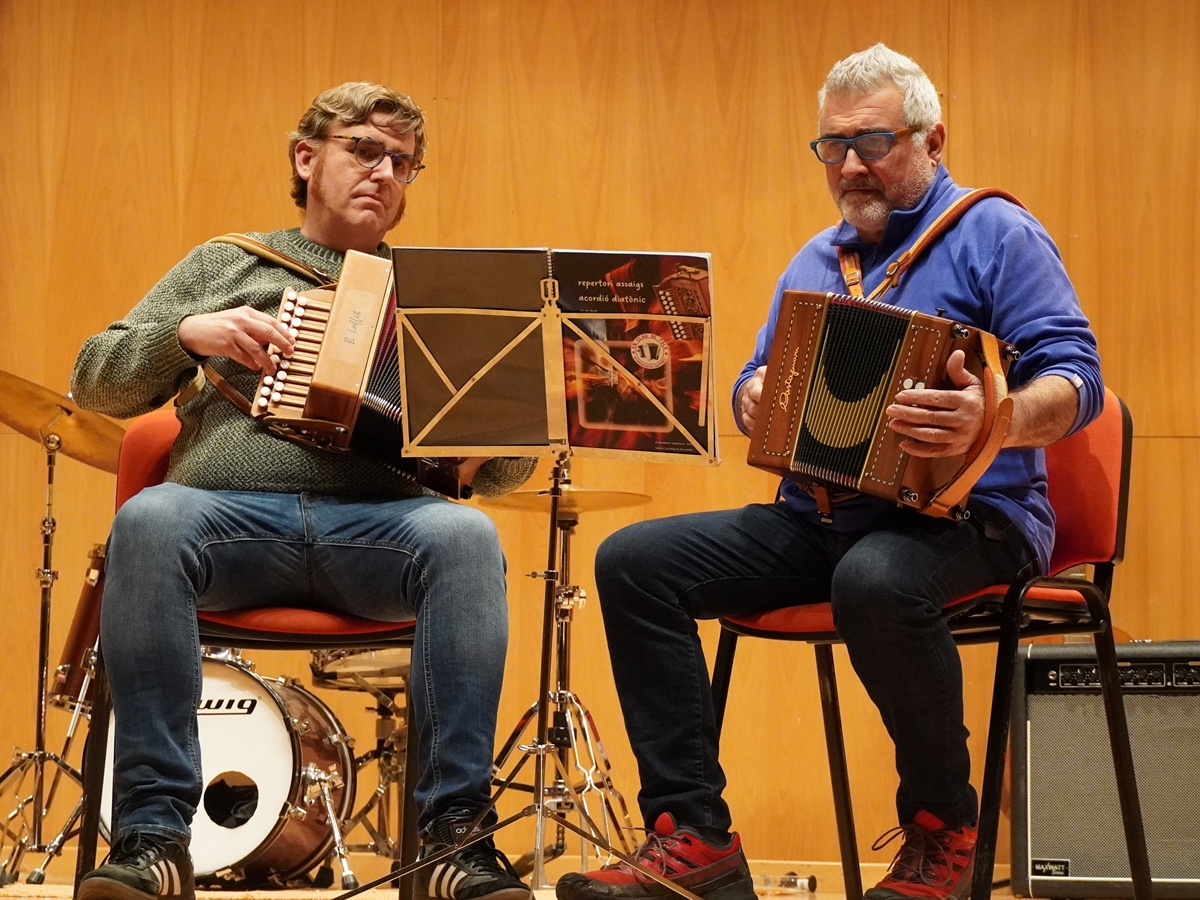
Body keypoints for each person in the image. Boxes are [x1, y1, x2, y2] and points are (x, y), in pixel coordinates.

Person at [556, 44, 1102, 900]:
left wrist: (991, 416)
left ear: (932, 139)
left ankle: (941, 829)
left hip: (971, 520)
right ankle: (696, 839)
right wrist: (750, 397)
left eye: (874, 142)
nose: (851, 166)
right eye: (832, 147)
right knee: (635, 562)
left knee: (876, 577)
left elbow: (1077, 378)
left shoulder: (997, 232)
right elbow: (753, 378)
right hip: (819, 517)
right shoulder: (818, 260)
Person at [71, 83, 536, 900]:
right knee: (148, 520)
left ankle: (450, 846)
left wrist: (493, 443)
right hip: (226, 523)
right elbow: (95, 381)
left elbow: (498, 475)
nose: (384, 172)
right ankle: (152, 839)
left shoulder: (435, 293)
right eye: (365, 149)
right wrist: (187, 335)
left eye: (403, 163)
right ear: (306, 157)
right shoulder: (229, 262)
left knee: (468, 537)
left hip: (382, 531)